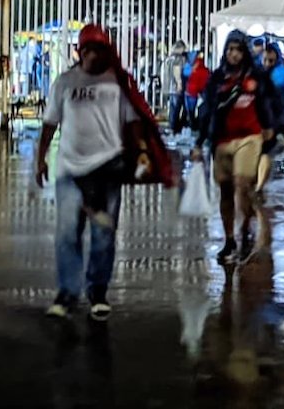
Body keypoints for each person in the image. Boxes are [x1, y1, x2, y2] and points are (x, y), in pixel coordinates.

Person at [35, 25, 150, 320]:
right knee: (67, 234)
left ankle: (97, 291)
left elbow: (134, 120)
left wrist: (143, 152)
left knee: (103, 235)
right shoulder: (64, 82)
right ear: (80, 51)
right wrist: (40, 159)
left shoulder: (116, 84)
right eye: (89, 49)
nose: (94, 55)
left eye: (100, 49)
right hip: (70, 171)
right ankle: (67, 293)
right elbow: (50, 124)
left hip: (107, 171)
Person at [193, 31, 275, 265]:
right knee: (226, 190)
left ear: (245, 52)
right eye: (230, 49)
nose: (234, 54)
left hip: (249, 137)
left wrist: (269, 127)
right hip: (222, 140)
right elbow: (207, 110)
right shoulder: (217, 78)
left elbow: (266, 102)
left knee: (243, 182)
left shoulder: (256, 76)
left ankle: (245, 229)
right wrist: (199, 142)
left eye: (238, 50)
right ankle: (230, 238)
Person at [259, 43, 284, 193]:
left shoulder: (283, 74)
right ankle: (260, 183)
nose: (267, 63)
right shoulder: (259, 73)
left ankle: (260, 185)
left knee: (266, 152)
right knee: (263, 152)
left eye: (271, 61)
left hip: (276, 117)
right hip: (263, 118)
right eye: (266, 60)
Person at [164, 40, 188, 137]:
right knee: (177, 109)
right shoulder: (178, 58)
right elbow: (177, 70)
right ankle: (174, 128)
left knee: (173, 108)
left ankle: (172, 127)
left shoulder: (169, 58)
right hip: (175, 87)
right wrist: (179, 83)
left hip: (169, 87)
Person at [185, 50, 211, 131]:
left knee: (191, 111)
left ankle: (192, 126)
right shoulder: (205, 71)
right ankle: (195, 126)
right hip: (199, 92)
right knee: (197, 111)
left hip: (191, 92)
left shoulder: (190, 70)